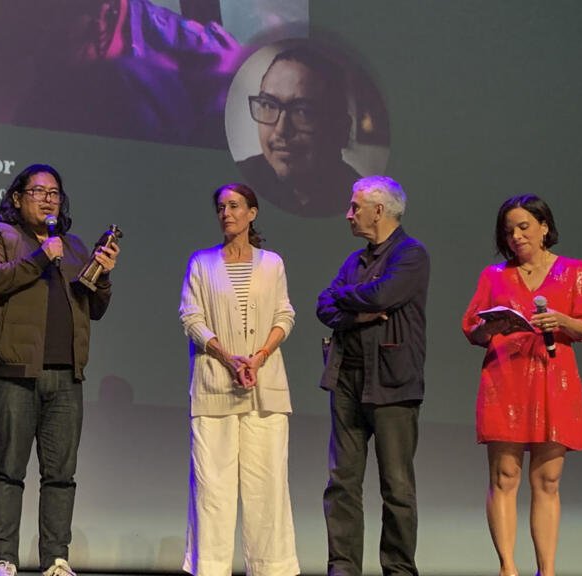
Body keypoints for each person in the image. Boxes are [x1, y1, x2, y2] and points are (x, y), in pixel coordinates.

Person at [0, 164, 120, 576]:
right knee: (9, 471)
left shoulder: (71, 246)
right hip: (14, 373)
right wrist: (38, 258)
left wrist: (101, 274)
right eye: (38, 191)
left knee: (61, 475)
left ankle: (55, 558)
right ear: (17, 197)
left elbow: (96, 308)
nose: (49, 198)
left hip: (66, 375)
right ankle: (4, 559)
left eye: (55, 192)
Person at [462, 194, 582, 576]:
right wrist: (492, 327)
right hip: (506, 380)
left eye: (523, 227)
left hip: (555, 378)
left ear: (544, 226)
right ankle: (508, 567)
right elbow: (472, 327)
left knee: (548, 479)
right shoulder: (494, 276)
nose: (516, 236)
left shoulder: (574, 271)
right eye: (509, 231)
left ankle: (546, 570)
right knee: (505, 476)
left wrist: (561, 321)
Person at [178, 183, 299, 576]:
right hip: (215, 387)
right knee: (213, 490)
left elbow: (285, 315)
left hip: (265, 391)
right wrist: (228, 358)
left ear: (252, 212)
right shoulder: (202, 262)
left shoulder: (272, 263)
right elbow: (191, 317)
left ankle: (272, 569)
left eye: (234, 205)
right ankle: (210, 568)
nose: (226, 213)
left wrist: (259, 356)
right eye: (220, 207)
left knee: (268, 490)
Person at [316, 175, 429, 576]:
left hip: (393, 383)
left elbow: (384, 295)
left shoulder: (412, 255)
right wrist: (358, 312)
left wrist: (349, 302)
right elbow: (322, 304)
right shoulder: (355, 261)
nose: (348, 214)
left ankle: (398, 570)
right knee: (342, 483)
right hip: (347, 380)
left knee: (396, 487)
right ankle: (342, 568)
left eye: (355, 207)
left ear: (378, 210)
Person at [236, 46, 361, 218]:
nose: (281, 130)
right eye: (268, 105)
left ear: (341, 130)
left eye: (303, 112)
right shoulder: (241, 180)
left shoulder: (361, 200)